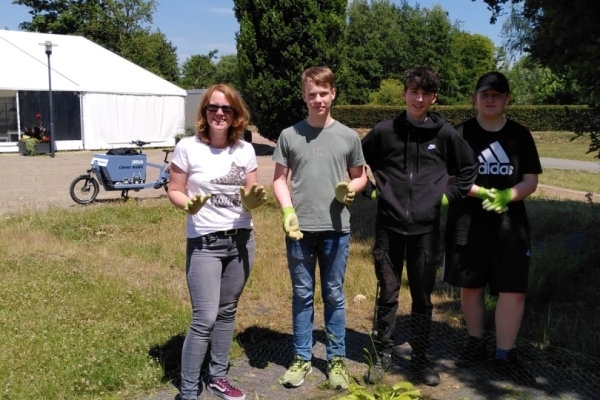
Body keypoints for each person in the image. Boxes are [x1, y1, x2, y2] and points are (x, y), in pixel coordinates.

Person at [361, 66, 478, 386]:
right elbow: (354, 160)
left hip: (426, 231)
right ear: (404, 93)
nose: (419, 98)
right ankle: (382, 355)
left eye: (426, 93)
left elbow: (469, 167)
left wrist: (446, 197)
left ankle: (421, 358)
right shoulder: (385, 131)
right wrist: (372, 192)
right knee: (387, 293)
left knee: (423, 297)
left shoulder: (445, 134)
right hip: (389, 228)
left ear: (433, 97)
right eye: (414, 91)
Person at [168, 83, 267, 400]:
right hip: (205, 243)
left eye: (227, 108)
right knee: (205, 317)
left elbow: (252, 194)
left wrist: (253, 203)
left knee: (227, 312)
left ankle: (218, 377)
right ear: (204, 112)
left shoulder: (246, 150)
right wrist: (186, 204)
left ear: (236, 114)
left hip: (241, 241)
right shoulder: (188, 147)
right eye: (214, 107)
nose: (220, 113)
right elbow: (174, 188)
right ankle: (188, 389)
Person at [443, 72, 542, 384]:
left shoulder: (520, 135)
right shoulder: (459, 134)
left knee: (512, 291)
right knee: (471, 286)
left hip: (510, 228)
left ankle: (505, 354)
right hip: (466, 224)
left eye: (497, 95)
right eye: (485, 94)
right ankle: (475, 343)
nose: (490, 99)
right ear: (475, 98)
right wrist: (480, 192)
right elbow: (448, 177)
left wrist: (507, 195)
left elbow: (531, 180)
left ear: (507, 99)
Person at [272, 66, 367, 390]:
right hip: (299, 231)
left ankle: (337, 360)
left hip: (336, 230)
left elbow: (360, 174)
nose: (318, 99)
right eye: (311, 94)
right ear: (304, 96)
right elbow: (279, 180)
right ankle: (302, 359)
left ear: (333, 93)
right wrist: (286, 211)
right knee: (302, 295)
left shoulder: (348, 136)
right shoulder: (289, 135)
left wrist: (353, 187)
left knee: (335, 295)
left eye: (323, 93)